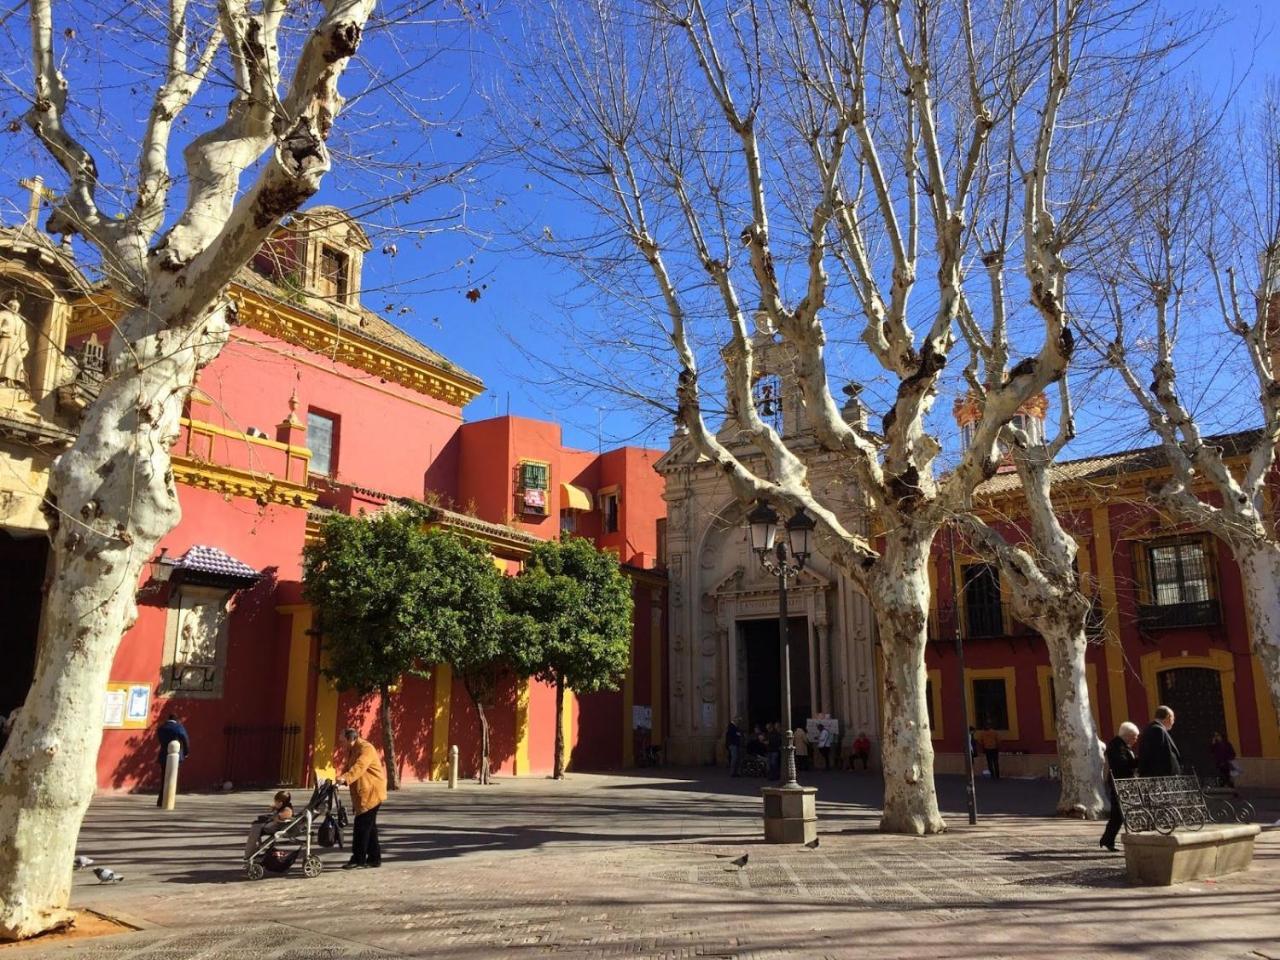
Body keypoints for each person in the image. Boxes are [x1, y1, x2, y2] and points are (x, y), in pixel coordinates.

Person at [335, 727, 387, 869]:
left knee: (361, 826)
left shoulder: (366, 748)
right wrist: (339, 778)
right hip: (363, 792)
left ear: (351, 738)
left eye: (342, 741)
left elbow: (359, 767)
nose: (341, 744)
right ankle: (374, 858)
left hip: (372, 792)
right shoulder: (352, 750)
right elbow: (348, 767)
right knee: (370, 827)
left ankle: (358, 859)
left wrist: (345, 779)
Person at [1099, 721, 1140, 852]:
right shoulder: (1117, 746)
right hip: (1119, 785)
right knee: (1118, 814)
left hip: (1123, 785)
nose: (1136, 740)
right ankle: (1107, 840)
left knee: (1118, 814)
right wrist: (1137, 761)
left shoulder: (1121, 745)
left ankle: (1107, 839)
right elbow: (1122, 765)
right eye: (1134, 737)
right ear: (1127, 735)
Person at [244, 790, 294, 860]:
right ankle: (251, 852)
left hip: (276, 827)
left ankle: (249, 854)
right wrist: (276, 808)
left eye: (275, 802)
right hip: (275, 826)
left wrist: (275, 814)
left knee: (255, 827)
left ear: (280, 803)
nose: (274, 803)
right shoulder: (285, 807)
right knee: (256, 825)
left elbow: (279, 817)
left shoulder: (287, 810)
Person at [155, 713, 191, 807]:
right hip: (176, 755)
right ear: (176, 719)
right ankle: (170, 800)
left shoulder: (161, 728)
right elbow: (185, 739)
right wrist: (186, 752)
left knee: (164, 778)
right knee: (173, 777)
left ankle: (161, 800)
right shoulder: (178, 727)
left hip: (163, 754)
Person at [1137, 705, 1181, 777]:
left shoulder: (1154, 728)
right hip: (1162, 778)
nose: (1173, 722)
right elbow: (1160, 755)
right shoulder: (1157, 730)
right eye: (1173, 718)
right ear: (1168, 717)